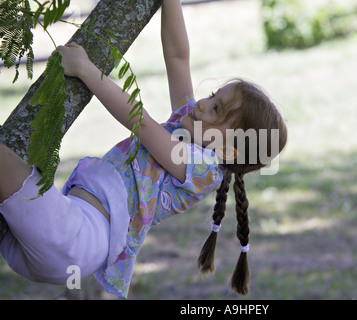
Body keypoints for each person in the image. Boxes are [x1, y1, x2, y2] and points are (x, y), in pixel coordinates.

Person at [0, 0, 287, 298]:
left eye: (216, 108)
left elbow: (143, 125)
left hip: (75, 239)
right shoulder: (188, 126)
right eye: (212, 95)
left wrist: (87, 71)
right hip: (53, 232)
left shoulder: (202, 168)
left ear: (228, 152)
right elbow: (177, 58)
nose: (202, 103)